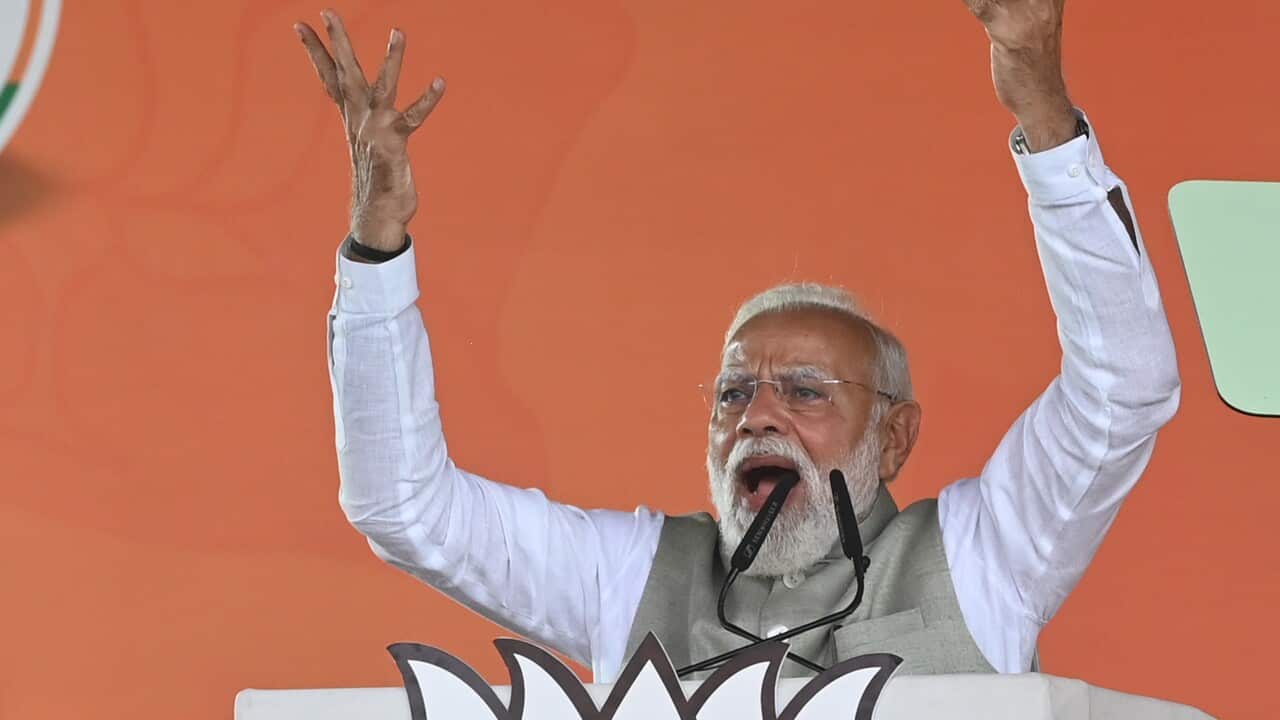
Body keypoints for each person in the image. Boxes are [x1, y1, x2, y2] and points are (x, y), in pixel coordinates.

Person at [295, 0, 1180, 683]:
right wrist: (377, 246)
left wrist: (1046, 114)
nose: (757, 414)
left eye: (803, 391)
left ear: (896, 435)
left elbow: (1123, 387)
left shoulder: (987, 554)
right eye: (732, 393)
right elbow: (403, 505)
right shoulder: (629, 574)